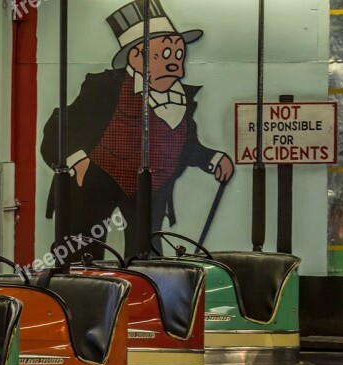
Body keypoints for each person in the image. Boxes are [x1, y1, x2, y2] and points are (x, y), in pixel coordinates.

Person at [42, 0, 234, 258]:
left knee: (147, 254)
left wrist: (213, 158)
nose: (175, 63)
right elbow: (59, 125)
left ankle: (146, 294)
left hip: (150, 189)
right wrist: (77, 160)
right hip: (95, 182)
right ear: (136, 56)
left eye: (179, 54)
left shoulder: (181, 99)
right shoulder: (104, 87)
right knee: (82, 252)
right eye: (165, 54)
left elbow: (185, 146)